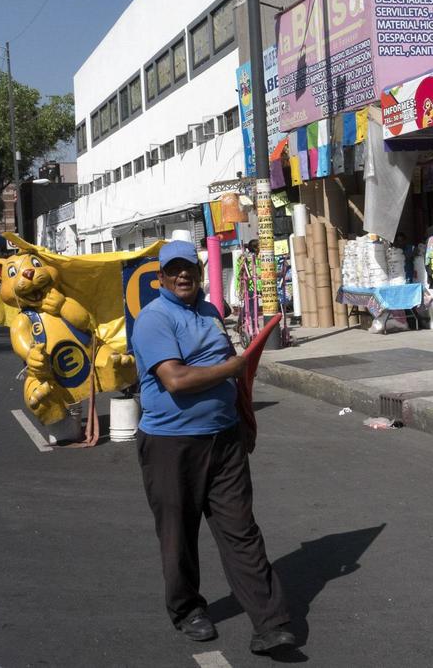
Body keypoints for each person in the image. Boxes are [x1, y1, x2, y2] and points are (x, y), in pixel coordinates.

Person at [128, 240, 296, 655]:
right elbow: (176, 380)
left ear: (199, 272)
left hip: (224, 440)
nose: (184, 276)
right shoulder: (153, 319)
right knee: (178, 535)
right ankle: (187, 610)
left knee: (241, 531)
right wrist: (231, 367)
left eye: (190, 268)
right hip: (171, 444)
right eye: (175, 270)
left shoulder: (210, 312)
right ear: (162, 277)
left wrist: (243, 419)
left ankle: (270, 622)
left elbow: (231, 376)